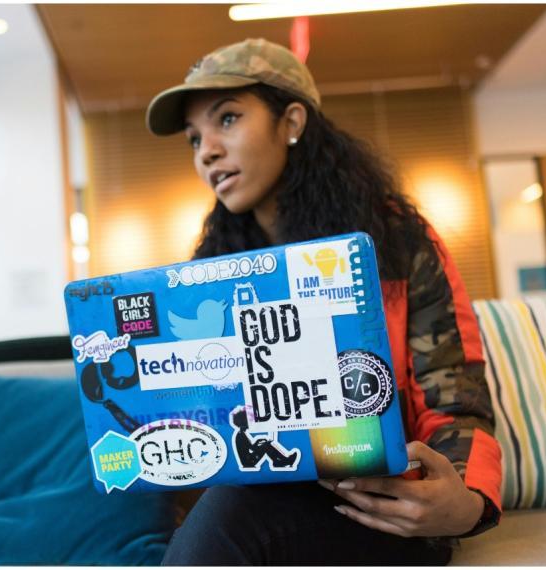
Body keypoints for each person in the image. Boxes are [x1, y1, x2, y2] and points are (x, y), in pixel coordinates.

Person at [145, 38, 502, 565]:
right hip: (259, 501)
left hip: (382, 508)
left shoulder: (395, 242)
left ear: (291, 122)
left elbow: (456, 398)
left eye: (227, 119)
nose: (206, 151)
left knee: (235, 511)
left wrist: (466, 503)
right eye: (194, 138)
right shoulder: (212, 275)